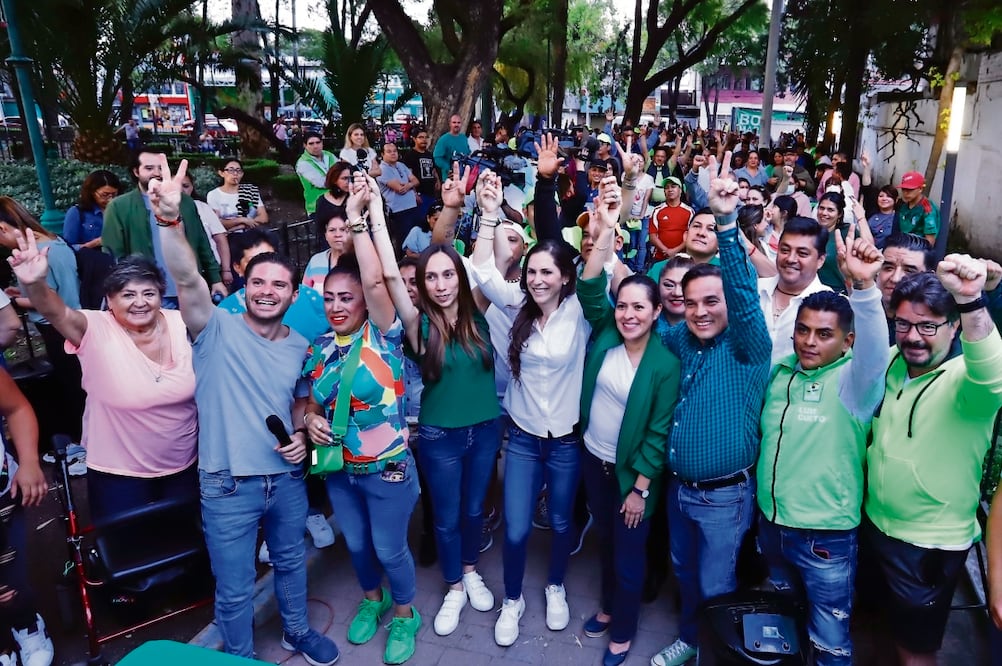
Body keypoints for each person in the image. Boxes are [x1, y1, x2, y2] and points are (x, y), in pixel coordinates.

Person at [155, 156, 339, 664]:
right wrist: (171, 221)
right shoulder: (214, 328)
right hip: (227, 483)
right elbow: (188, 279)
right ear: (243, 283)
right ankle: (238, 655)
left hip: (285, 479)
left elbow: (303, 401)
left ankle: (297, 632)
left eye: (279, 285)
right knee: (234, 589)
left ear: (294, 291)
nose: (267, 292)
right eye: (259, 283)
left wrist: (304, 429)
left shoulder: (301, 343)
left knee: (291, 563)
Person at [471, 168, 614, 648]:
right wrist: (488, 216)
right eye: (531, 271)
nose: (535, 279)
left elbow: (599, 265)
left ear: (566, 276)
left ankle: (555, 587)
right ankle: (513, 599)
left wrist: (611, 217)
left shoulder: (583, 309)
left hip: (569, 441)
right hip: (525, 440)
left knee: (559, 522)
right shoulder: (517, 304)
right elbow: (486, 274)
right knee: (515, 528)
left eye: (546, 272)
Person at [370, 175, 501, 638]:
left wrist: (486, 209)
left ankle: (468, 570)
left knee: (472, 513)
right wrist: (371, 215)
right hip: (439, 437)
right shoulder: (417, 324)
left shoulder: (479, 312)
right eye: (432, 277)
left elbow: (484, 257)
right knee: (444, 518)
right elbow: (388, 275)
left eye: (449, 274)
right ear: (421, 285)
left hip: (486, 431)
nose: (442, 284)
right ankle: (452, 586)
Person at [651, 177, 772, 666]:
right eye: (692, 302)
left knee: (716, 584)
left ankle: (714, 658)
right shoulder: (681, 340)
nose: (700, 311)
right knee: (683, 572)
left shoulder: (748, 347)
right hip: (680, 491)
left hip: (724, 496)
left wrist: (725, 222)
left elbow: (743, 294)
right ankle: (691, 640)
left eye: (711, 302)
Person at [301, 174, 420, 664]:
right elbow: (309, 399)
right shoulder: (319, 349)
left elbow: (375, 280)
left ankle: (406, 615)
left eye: (345, 298)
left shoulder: (385, 336)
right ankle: (373, 601)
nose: (336, 306)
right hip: (340, 470)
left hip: (387, 468)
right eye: (329, 298)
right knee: (358, 547)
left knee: (391, 550)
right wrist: (308, 419)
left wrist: (358, 218)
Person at [756, 224, 888, 666]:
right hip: (772, 526)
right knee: (783, 628)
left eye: (824, 334)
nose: (810, 341)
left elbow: (874, 350)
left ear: (847, 340)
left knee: (829, 641)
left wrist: (866, 286)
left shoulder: (857, 384)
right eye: (803, 330)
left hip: (825, 538)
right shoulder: (782, 373)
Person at [864, 262, 1002, 665]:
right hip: (877, 525)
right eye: (904, 325)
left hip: (928, 546)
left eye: (928, 326)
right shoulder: (894, 362)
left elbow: (993, 374)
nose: (913, 337)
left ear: (954, 327)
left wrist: (972, 300)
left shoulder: (969, 383)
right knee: (882, 627)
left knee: (917, 651)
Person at [10, 237, 199, 523]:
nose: (140, 303)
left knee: (184, 545)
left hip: (184, 466)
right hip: (119, 474)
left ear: (161, 295)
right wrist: (35, 284)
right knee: (129, 553)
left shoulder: (180, 323)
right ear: (109, 300)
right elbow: (55, 311)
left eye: (149, 293)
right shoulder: (94, 328)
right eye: (127, 295)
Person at [577, 197, 680, 665]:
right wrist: (604, 230)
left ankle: (623, 630)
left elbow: (658, 435)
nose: (628, 314)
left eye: (640, 307)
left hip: (631, 476)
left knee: (629, 553)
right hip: (593, 460)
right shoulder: (605, 335)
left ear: (657, 312)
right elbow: (590, 287)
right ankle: (605, 606)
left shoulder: (664, 363)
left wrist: (640, 489)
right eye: (623, 306)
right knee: (605, 539)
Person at [0, 198, 85, 443]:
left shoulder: (43, 252)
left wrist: (12, 302)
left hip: (59, 328)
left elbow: (53, 299)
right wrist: (23, 293)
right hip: (62, 325)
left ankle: (82, 444)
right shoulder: (53, 241)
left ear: (3, 228)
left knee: (74, 388)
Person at [102, 149, 224, 305]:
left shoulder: (185, 202)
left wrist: (216, 279)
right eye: (149, 168)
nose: (156, 173)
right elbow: (113, 255)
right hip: (146, 295)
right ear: (136, 172)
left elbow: (202, 243)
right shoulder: (119, 206)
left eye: (160, 167)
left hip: (189, 289)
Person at [0, 367, 52, 666]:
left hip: (2, 493)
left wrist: (30, 462)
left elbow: (17, 407)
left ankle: (27, 624)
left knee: (12, 577)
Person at [757, 217, 832, 363]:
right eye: (785, 250)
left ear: (820, 260)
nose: (791, 259)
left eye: (802, 253)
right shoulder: (755, 290)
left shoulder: (830, 306)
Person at [876, 233, 935, 342]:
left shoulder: (936, 329)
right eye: (888, 268)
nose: (895, 278)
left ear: (929, 277)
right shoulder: (859, 310)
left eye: (909, 271)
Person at [180, 174, 231, 288]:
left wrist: (226, 270)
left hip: (208, 273)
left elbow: (220, 239)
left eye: (185, 186)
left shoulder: (203, 208)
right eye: (175, 186)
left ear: (192, 187)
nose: (181, 190)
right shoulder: (159, 210)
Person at [376, 142, 422, 253]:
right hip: (399, 211)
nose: (393, 154)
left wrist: (408, 185)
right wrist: (410, 184)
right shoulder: (382, 169)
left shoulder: (401, 165)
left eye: (395, 151)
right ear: (382, 154)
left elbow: (416, 181)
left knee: (416, 239)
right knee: (403, 241)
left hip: (412, 207)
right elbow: (399, 189)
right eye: (389, 151)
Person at [63, 170, 123, 250]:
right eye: (104, 195)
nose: (110, 199)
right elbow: (68, 249)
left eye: (114, 195)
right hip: (92, 258)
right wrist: (95, 243)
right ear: (92, 192)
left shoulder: (121, 210)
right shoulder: (77, 212)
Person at [206, 159, 268, 233]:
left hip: (251, 233)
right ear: (221, 173)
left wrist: (241, 226)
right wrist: (241, 220)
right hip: (227, 237)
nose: (235, 173)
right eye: (231, 170)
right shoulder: (214, 195)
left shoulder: (250, 191)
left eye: (238, 170)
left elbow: (263, 217)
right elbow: (216, 223)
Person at [648, 177, 694, 262]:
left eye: (673, 186)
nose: (669, 190)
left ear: (680, 190)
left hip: (683, 257)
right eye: (666, 187)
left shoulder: (689, 211)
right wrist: (666, 251)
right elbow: (652, 236)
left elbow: (691, 236)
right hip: (659, 257)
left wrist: (674, 251)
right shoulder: (657, 210)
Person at [400, 127, 441, 220]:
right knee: (421, 220)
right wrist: (414, 194)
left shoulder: (429, 154)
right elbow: (408, 175)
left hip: (431, 193)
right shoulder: (410, 155)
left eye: (426, 137)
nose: (424, 140)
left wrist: (437, 181)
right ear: (414, 139)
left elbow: (433, 169)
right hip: (420, 194)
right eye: (421, 137)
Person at [296, 132, 337, 216]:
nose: (315, 146)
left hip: (337, 202)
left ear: (322, 143)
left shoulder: (329, 155)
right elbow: (322, 183)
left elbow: (343, 173)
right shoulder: (303, 163)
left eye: (318, 142)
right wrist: (339, 179)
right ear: (305, 145)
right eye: (311, 143)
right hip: (317, 208)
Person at [895, 171, 939, 245]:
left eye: (910, 190)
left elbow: (929, 242)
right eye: (903, 189)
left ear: (920, 189)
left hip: (918, 249)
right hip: (903, 245)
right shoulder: (904, 206)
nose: (905, 193)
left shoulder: (928, 209)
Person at [313, 161, 351, 236]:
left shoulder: (356, 197)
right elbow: (320, 228)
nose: (348, 182)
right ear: (334, 180)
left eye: (351, 178)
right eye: (344, 178)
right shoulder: (322, 201)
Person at [867, 185, 898, 249]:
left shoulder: (899, 218)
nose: (884, 199)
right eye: (881, 196)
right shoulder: (872, 218)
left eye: (889, 196)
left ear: (896, 200)